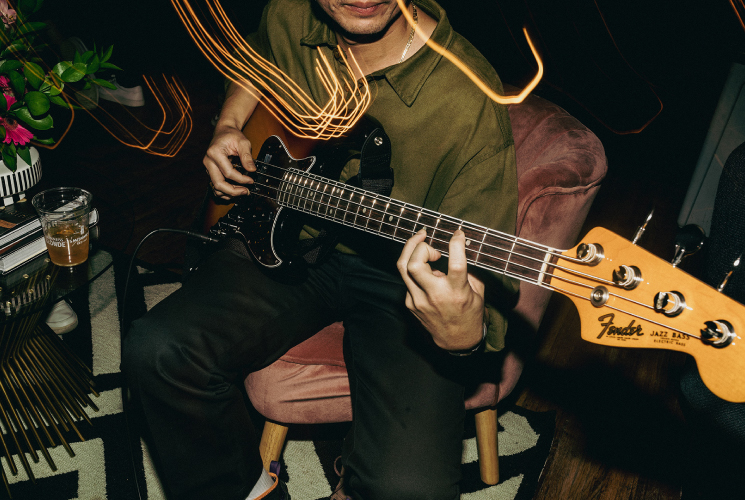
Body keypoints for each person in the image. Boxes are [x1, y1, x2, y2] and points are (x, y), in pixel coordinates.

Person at [122, 0, 518, 499]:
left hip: (404, 284)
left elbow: (482, 287)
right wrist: (229, 124)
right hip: (293, 240)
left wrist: (462, 332)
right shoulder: (288, 12)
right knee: (157, 350)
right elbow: (254, 62)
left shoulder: (470, 95)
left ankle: (353, 470)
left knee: (410, 488)